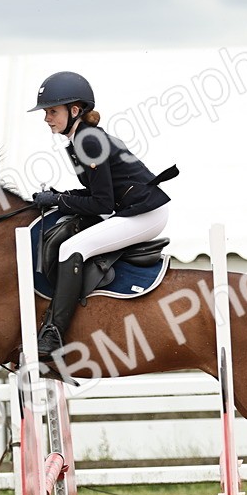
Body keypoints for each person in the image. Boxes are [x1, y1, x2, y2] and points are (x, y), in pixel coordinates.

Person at [29, 71, 176, 359]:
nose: (47, 118)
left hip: (146, 214)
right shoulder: (82, 138)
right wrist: (60, 197)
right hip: (135, 209)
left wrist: (59, 199)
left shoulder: (89, 140)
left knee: (73, 247)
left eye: (52, 111)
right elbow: (97, 192)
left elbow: (102, 204)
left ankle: (53, 332)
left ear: (74, 111)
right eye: (46, 112)